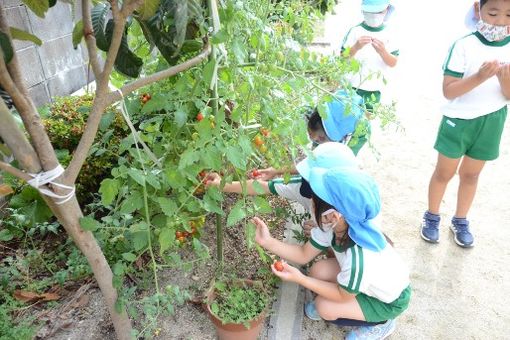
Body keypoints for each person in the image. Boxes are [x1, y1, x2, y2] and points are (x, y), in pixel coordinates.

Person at [251, 160, 411, 339]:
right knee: (317, 271)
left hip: (388, 302)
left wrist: (300, 278)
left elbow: (342, 295)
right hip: (365, 281)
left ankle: (382, 322)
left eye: (314, 201)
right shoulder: (336, 226)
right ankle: (351, 305)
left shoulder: (359, 258)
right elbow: (304, 255)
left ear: (333, 215)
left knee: (324, 307)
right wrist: (268, 242)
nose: (310, 202)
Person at [420, 0, 510, 248]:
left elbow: (508, 95)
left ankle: (460, 219)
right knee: (444, 172)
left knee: (471, 175)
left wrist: (504, 81)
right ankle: (432, 215)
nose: (501, 21)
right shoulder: (464, 45)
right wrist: (480, 76)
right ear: (477, 10)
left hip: (491, 120)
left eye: (509, 15)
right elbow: (449, 91)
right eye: (493, 13)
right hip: (458, 120)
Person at [340, 0, 398, 112]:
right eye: (370, 13)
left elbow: (393, 62)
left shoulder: (390, 33)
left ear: (387, 10)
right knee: (350, 118)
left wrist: (382, 51)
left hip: (375, 89)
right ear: (363, 11)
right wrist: (356, 47)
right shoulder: (355, 31)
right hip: (353, 86)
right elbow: (342, 58)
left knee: (366, 121)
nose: (374, 16)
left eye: (379, 12)